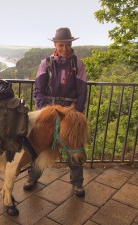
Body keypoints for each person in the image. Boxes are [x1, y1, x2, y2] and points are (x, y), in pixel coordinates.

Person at [23, 27, 87, 197]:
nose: (64, 48)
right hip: (50, 114)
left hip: (69, 115)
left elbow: (82, 92)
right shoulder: (46, 63)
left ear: (71, 43)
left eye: (67, 44)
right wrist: (44, 112)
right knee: (39, 146)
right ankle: (33, 177)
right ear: (55, 44)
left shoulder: (77, 64)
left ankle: (77, 183)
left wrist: (76, 115)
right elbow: (38, 90)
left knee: (75, 147)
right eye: (61, 45)